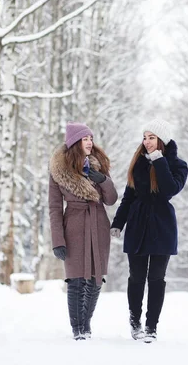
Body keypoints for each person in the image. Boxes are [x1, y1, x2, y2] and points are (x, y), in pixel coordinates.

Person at [110, 119, 188, 343]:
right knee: (136, 278)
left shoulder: (177, 165)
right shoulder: (138, 164)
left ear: (162, 140)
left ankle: (151, 326)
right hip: (137, 225)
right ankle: (135, 323)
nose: (147, 142)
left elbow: (169, 190)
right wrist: (118, 223)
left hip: (162, 227)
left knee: (156, 278)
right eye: (145, 137)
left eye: (151, 137)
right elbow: (129, 197)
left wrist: (159, 161)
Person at [49, 122, 118, 340]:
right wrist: (58, 240)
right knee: (76, 280)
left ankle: (86, 324)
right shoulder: (59, 170)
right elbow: (54, 207)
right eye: (85, 138)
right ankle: (77, 329)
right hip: (74, 227)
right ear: (75, 143)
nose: (90, 142)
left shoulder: (99, 165)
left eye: (91, 138)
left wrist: (103, 180)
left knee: (96, 279)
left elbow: (112, 199)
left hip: (98, 225)